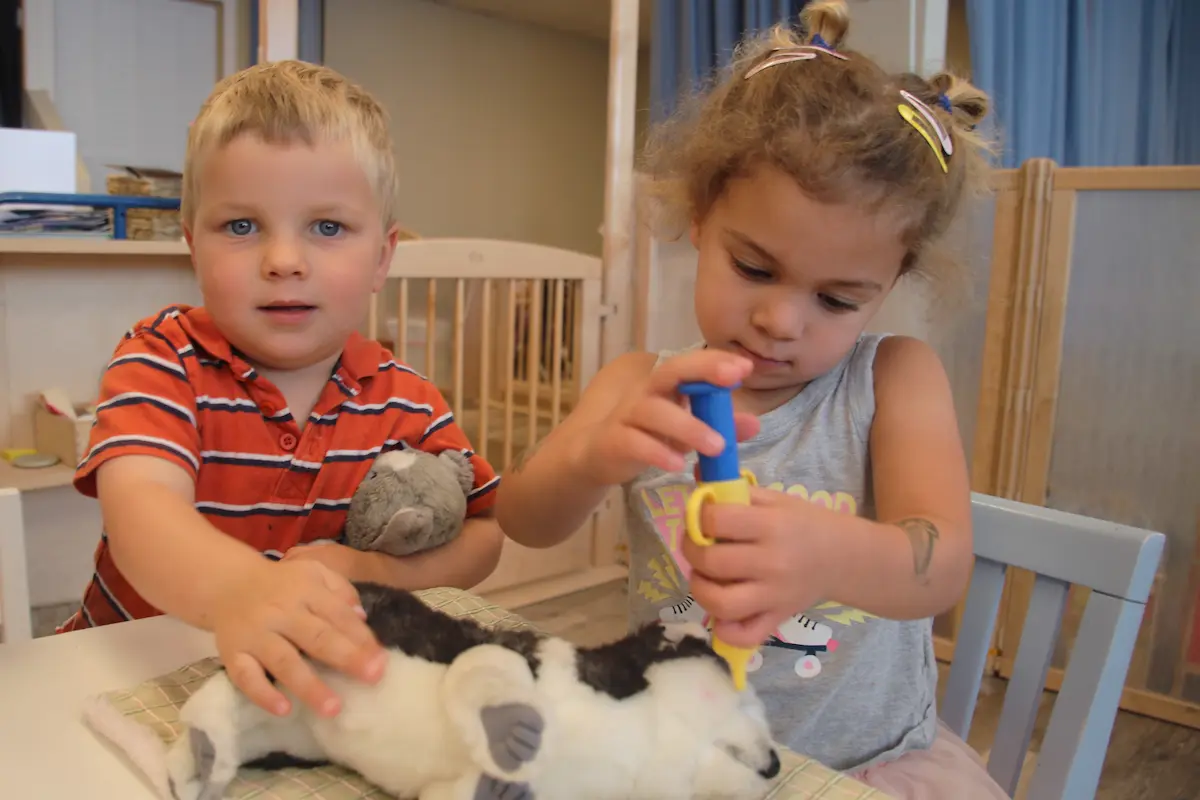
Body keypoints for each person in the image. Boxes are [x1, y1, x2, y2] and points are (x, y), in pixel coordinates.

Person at [495, 1, 1007, 797]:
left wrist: (829, 553)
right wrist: (591, 458)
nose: (781, 321)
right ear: (701, 219)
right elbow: (524, 520)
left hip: (863, 767)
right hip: (675, 754)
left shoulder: (894, 380)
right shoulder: (636, 384)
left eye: (836, 300)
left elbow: (939, 567)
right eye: (756, 269)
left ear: (889, 284)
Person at [56, 61, 503, 723]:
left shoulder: (406, 399)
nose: (284, 260)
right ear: (193, 246)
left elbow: (485, 535)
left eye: (327, 227)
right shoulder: (161, 358)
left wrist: (379, 575)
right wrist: (240, 589)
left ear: (382, 257)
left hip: (297, 695)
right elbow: (141, 508)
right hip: (129, 679)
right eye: (242, 226)